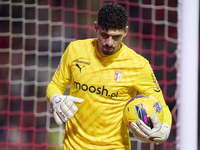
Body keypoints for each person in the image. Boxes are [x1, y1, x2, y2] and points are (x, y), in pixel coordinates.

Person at [46, 2, 172, 150]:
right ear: (96, 27)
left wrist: (165, 129)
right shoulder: (75, 50)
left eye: (116, 37)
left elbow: (161, 104)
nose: (109, 42)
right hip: (73, 146)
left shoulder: (139, 65)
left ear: (125, 31)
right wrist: (55, 98)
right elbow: (56, 85)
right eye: (104, 35)